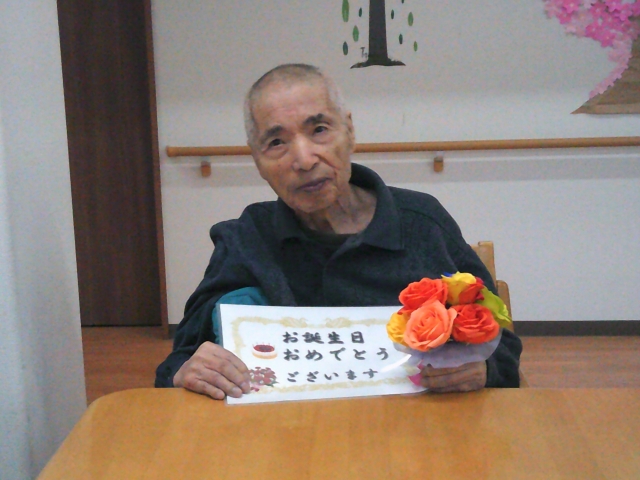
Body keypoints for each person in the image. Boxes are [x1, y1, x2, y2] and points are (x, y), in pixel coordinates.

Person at [155, 63, 522, 399]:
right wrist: (188, 371)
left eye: (319, 130)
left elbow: (502, 345)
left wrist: (482, 369)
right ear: (257, 159)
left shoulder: (422, 223)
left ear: (349, 131)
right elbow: (178, 362)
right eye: (277, 142)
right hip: (289, 435)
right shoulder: (248, 237)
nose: (304, 160)